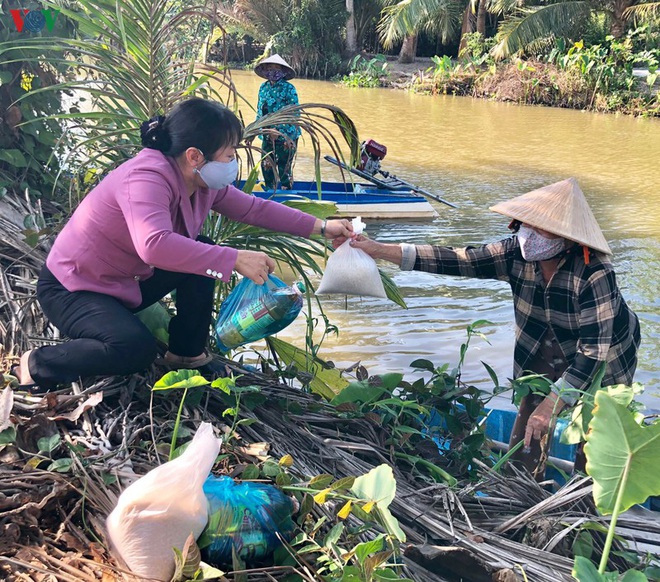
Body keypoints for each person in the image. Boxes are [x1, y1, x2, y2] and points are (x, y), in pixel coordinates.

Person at [12, 98, 352, 391]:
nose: (233, 161)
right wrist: (233, 257)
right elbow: (154, 246)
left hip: (125, 283)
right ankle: (38, 363)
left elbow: (252, 208)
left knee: (202, 250)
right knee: (134, 349)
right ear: (194, 155)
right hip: (75, 288)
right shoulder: (147, 177)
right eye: (229, 154)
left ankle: (186, 353)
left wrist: (323, 227)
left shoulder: (202, 181)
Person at [347, 178, 640, 478]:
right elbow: (458, 259)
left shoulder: (594, 272)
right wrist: (379, 250)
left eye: (541, 228)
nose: (529, 234)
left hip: (605, 358)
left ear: (567, 238)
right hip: (541, 344)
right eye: (527, 224)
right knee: (528, 426)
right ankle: (521, 492)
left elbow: (593, 353)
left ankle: (584, 513)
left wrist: (554, 403)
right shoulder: (515, 254)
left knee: (594, 442)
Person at [254, 54, 301, 190]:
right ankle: (270, 191)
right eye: (269, 68)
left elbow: (294, 113)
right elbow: (260, 110)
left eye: (276, 69)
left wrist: (279, 131)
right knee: (266, 165)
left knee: (284, 167)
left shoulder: (289, 88)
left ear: (283, 71)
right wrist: (256, 130)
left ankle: (286, 190)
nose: (272, 72)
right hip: (267, 133)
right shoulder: (263, 88)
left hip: (287, 134)